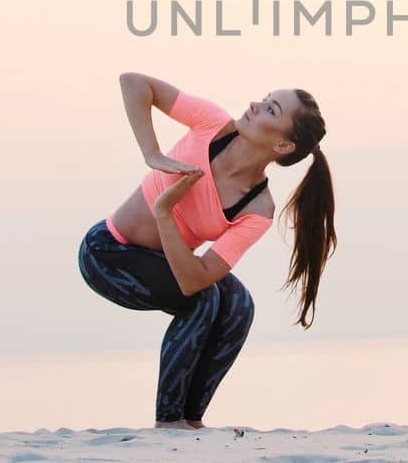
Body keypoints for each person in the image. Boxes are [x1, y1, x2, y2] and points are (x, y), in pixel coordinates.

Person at [78, 71, 335, 429]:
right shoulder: (211, 124)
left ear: (282, 146)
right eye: (264, 97)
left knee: (239, 306)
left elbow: (192, 278)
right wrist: (152, 153)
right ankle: (168, 423)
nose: (255, 105)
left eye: (270, 110)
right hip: (107, 253)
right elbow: (133, 82)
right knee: (204, 301)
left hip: (163, 262)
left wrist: (165, 212)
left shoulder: (256, 209)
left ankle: (190, 419)